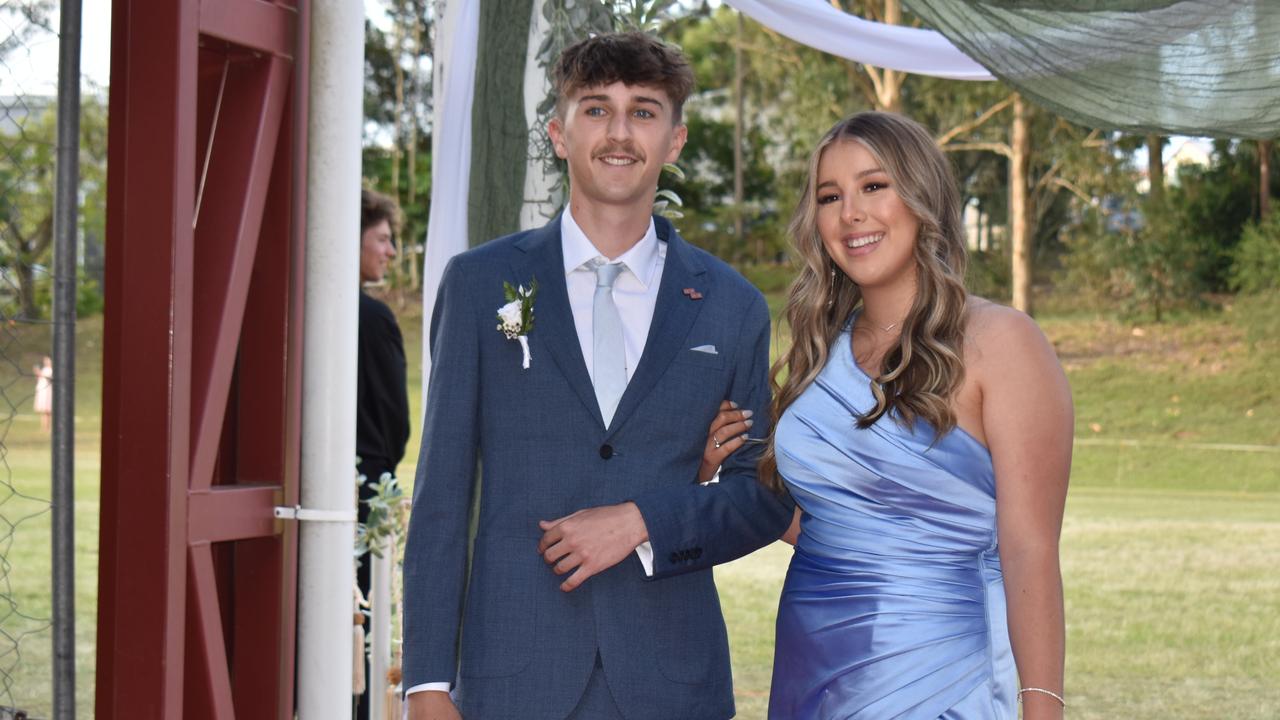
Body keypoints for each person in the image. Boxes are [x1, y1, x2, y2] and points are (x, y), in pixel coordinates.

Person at [401, 32, 793, 720]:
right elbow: (441, 497)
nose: (619, 132)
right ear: (558, 133)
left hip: (671, 679)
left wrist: (642, 521)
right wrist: (427, 682)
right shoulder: (478, 283)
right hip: (512, 677)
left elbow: (755, 497)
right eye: (595, 109)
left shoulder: (732, 305)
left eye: (643, 111)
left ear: (675, 140)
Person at [726, 111, 1072, 719]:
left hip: (939, 674)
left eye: (873, 186)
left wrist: (1041, 710)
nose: (850, 213)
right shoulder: (816, 351)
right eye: (829, 197)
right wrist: (721, 464)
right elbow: (827, 520)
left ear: (922, 196)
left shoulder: (1001, 342)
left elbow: (1030, 552)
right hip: (813, 672)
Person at [355, 188, 410, 720]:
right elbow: (395, 420)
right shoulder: (371, 319)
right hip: (363, 494)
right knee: (362, 623)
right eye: (383, 239)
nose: (391, 252)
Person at [33, 355, 52, 432]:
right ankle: (44, 427)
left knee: (48, 411)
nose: (46, 361)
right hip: (42, 391)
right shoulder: (44, 369)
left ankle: (49, 427)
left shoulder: (52, 370)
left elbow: (48, 378)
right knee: (44, 412)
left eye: (47, 360)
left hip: (48, 391)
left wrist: (39, 372)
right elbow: (39, 378)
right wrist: (37, 373)